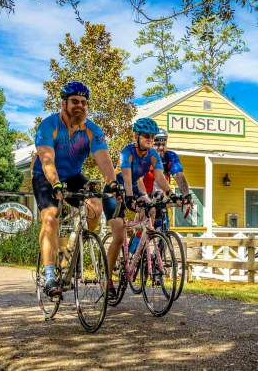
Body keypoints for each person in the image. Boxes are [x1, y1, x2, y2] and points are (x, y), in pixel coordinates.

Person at [31, 81, 123, 297]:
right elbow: (46, 159)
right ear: (63, 103)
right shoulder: (49, 125)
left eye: (83, 102)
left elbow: (103, 159)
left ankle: (76, 247)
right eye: (74, 101)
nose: (79, 106)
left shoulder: (92, 130)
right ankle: (50, 275)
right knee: (51, 217)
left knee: (96, 207)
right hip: (45, 176)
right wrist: (55, 183)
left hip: (72, 175)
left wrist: (111, 182)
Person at [105, 117, 178, 298]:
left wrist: (171, 194)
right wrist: (130, 197)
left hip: (135, 187)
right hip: (115, 191)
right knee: (120, 234)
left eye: (152, 137)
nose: (150, 140)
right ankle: (107, 281)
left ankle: (141, 245)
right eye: (146, 136)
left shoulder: (152, 154)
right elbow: (128, 178)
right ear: (136, 136)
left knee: (152, 209)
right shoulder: (127, 152)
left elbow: (160, 178)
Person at [142, 129, 192, 229]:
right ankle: (136, 243)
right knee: (143, 232)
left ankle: (164, 243)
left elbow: (178, 175)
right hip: (145, 195)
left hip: (161, 197)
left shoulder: (170, 156)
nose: (161, 147)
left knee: (164, 229)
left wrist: (186, 195)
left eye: (163, 144)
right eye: (157, 144)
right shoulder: (145, 156)